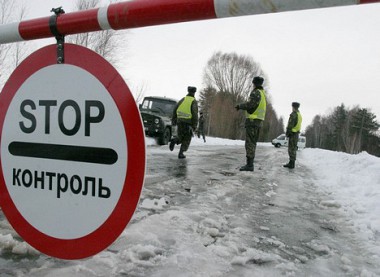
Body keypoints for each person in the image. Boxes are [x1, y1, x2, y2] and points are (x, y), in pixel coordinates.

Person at [235, 76, 267, 171]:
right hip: (258, 121)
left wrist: (240, 106)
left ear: (254, 83)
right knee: (253, 143)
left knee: (249, 143)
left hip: (252, 121)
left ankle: (249, 165)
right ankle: (250, 164)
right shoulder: (262, 94)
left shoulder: (256, 93)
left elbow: (250, 105)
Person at [169, 86, 199, 159]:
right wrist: (194, 125)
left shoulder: (183, 99)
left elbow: (175, 109)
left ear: (188, 91)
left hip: (180, 121)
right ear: (194, 92)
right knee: (187, 139)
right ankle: (181, 153)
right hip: (188, 123)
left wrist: (174, 119)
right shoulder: (193, 101)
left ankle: (174, 140)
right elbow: (195, 114)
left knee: (180, 136)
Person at [283, 102, 302, 169]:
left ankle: (291, 163)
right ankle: (292, 163)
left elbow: (290, 125)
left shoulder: (293, 114)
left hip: (292, 133)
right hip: (296, 133)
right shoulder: (299, 114)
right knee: (293, 148)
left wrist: (287, 133)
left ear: (293, 107)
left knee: (291, 149)